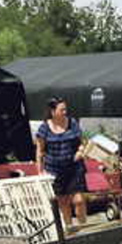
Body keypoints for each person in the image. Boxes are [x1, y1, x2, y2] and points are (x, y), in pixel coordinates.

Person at [35, 97, 87, 230]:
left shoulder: (72, 123)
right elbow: (40, 152)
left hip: (74, 168)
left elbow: (82, 142)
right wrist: (40, 172)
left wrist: (80, 151)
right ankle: (69, 229)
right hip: (55, 170)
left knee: (79, 200)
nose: (65, 112)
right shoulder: (44, 128)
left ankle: (85, 228)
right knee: (63, 202)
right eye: (61, 109)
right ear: (53, 111)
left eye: (65, 109)